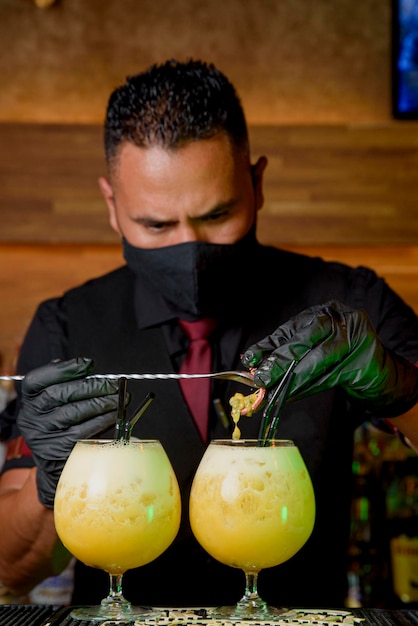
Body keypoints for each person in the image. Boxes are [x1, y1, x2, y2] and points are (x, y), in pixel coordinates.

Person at [1, 58, 418, 610]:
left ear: (258, 184)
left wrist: (405, 389)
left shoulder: (349, 305)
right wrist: (49, 481)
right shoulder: (68, 323)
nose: (190, 248)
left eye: (217, 215)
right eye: (156, 225)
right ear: (111, 207)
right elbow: (14, 571)